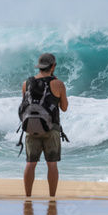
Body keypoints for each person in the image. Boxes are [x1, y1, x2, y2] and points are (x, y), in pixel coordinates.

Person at [22, 53, 68, 197]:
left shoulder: (27, 83)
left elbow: (25, 105)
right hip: (51, 128)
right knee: (52, 163)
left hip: (30, 127)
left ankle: (28, 196)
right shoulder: (58, 84)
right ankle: (52, 197)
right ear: (53, 66)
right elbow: (64, 107)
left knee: (30, 163)